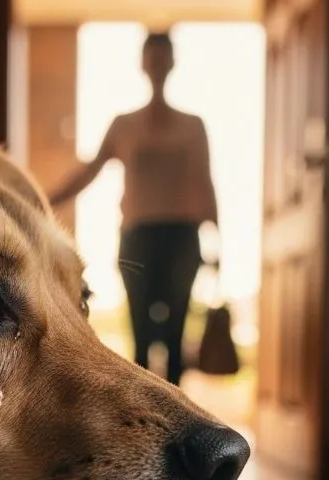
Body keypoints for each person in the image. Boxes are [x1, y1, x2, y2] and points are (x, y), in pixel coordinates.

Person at [49, 30, 219, 386]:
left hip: (182, 239)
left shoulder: (193, 126)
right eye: (151, 57)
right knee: (141, 336)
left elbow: (204, 182)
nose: (157, 64)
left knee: (174, 336)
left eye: (163, 57)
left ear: (172, 62)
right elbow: (89, 171)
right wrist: (44, 198)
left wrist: (217, 242)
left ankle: (178, 431)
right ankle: (145, 427)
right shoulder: (124, 125)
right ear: (144, 63)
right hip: (138, 238)